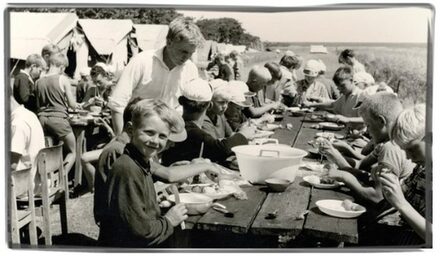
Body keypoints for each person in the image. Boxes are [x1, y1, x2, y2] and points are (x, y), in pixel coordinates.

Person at [97, 99, 221, 247]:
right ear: (131, 130)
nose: (155, 141)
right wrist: (169, 220)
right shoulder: (127, 167)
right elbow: (141, 233)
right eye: (149, 133)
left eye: (162, 136)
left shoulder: (140, 160)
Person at [107, 17, 205, 135]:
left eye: (191, 53)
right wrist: (121, 140)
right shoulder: (142, 61)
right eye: (183, 51)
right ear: (169, 42)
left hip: (171, 137)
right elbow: (117, 103)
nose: (187, 57)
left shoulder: (190, 69)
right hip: (139, 135)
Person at [323, 92, 415, 204]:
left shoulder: (390, 148)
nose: (366, 130)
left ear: (381, 121)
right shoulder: (386, 142)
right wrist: (335, 155)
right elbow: (361, 165)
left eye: (368, 125)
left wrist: (344, 177)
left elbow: (377, 197)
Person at [359, 104, 428, 246]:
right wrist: (388, 185)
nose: (409, 158)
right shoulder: (423, 169)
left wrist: (401, 204)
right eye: (405, 151)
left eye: (412, 149)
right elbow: (402, 197)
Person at [161, 78, 255, 166]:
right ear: (209, 105)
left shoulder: (178, 125)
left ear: (181, 101)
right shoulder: (193, 131)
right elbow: (221, 149)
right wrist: (243, 134)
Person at [35, 52, 81, 176]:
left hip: (42, 120)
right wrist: (78, 105)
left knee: (48, 151)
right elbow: (72, 104)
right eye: (64, 68)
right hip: (58, 120)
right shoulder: (62, 79)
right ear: (61, 66)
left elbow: (38, 105)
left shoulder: (38, 81)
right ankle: (62, 179)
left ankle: (49, 179)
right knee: (73, 151)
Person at [10, 90, 45, 173]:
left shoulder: (17, 123)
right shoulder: (30, 114)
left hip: (23, 180)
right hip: (36, 175)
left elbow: (12, 165)